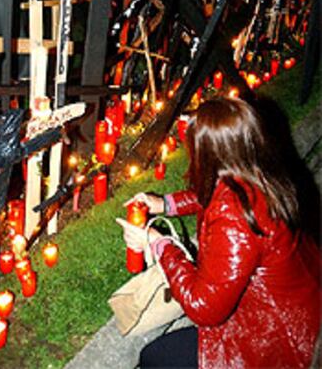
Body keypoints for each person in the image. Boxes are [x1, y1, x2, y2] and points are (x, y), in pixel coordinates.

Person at [116, 97, 321, 368]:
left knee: (154, 358)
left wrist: (158, 243)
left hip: (276, 340)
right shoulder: (261, 171)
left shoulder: (236, 217)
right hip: (303, 311)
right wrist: (164, 204)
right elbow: (211, 195)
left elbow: (203, 308)